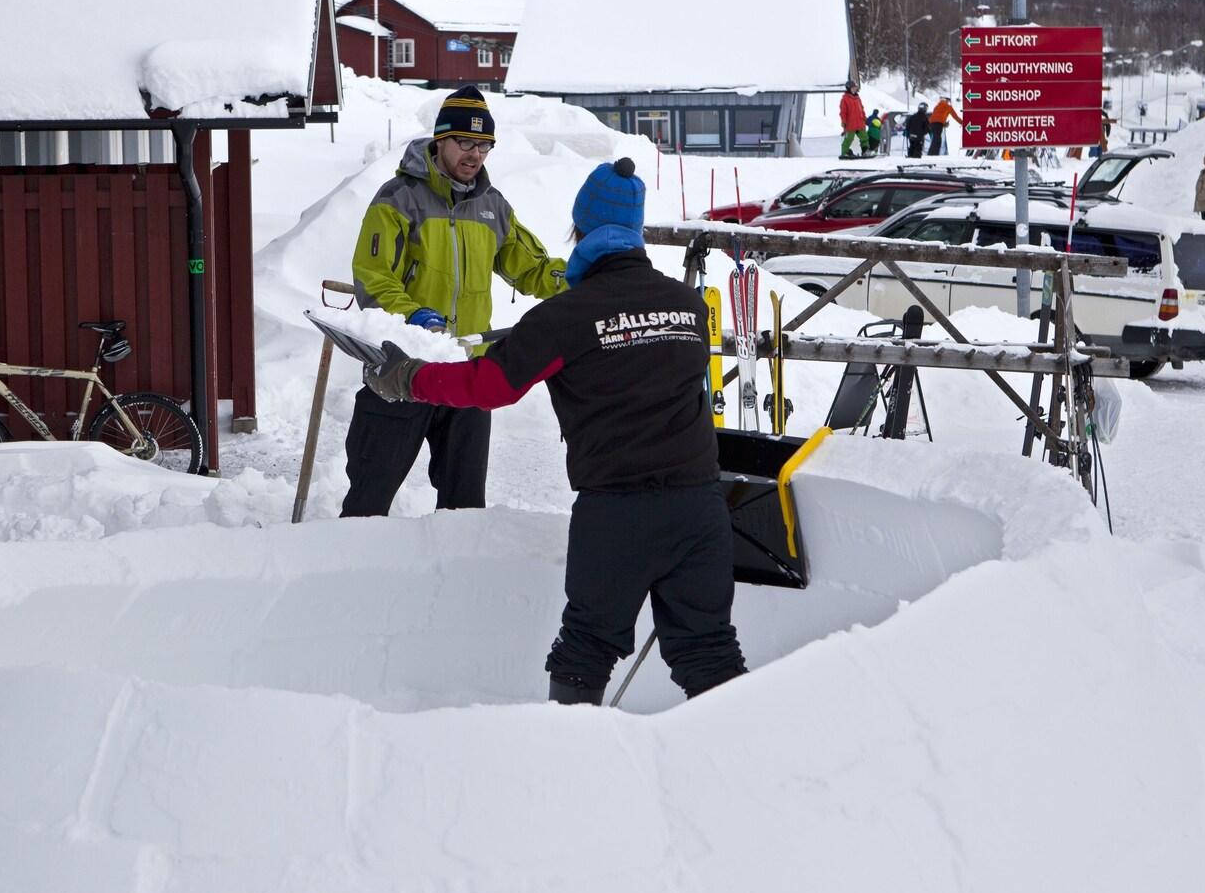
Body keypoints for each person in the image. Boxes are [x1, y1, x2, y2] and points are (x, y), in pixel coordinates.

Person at [361, 159, 748, 705]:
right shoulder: (687, 306)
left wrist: (408, 377)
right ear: (635, 231)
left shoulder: (566, 316)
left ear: (580, 230)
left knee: (585, 652)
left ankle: (569, 753)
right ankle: (736, 749)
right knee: (710, 651)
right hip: (700, 507)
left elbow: (490, 385)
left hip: (617, 511)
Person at [342, 85, 567, 517]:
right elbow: (373, 278)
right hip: (401, 369)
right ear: (440, 140)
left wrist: (583, 280)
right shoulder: (398, 199)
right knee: (368, 503)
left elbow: (533, 268)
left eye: (484, 145)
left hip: (466, 375)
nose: (475, 154)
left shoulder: (492, 207)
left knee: (465, 511)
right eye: (465, 142)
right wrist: (412, 315)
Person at [838, 83, 868, 159]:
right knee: (849, 138)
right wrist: (844, 122)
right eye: (853, 87)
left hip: (860, 123)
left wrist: (865, 119)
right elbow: (843, 112)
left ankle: (865, 150)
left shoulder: (858, 98)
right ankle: (845, 152)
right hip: (850, 124)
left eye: (855, 87)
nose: (855, 89)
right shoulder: (845, 99)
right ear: (849, 88)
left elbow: (862, 110)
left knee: (864, 137)